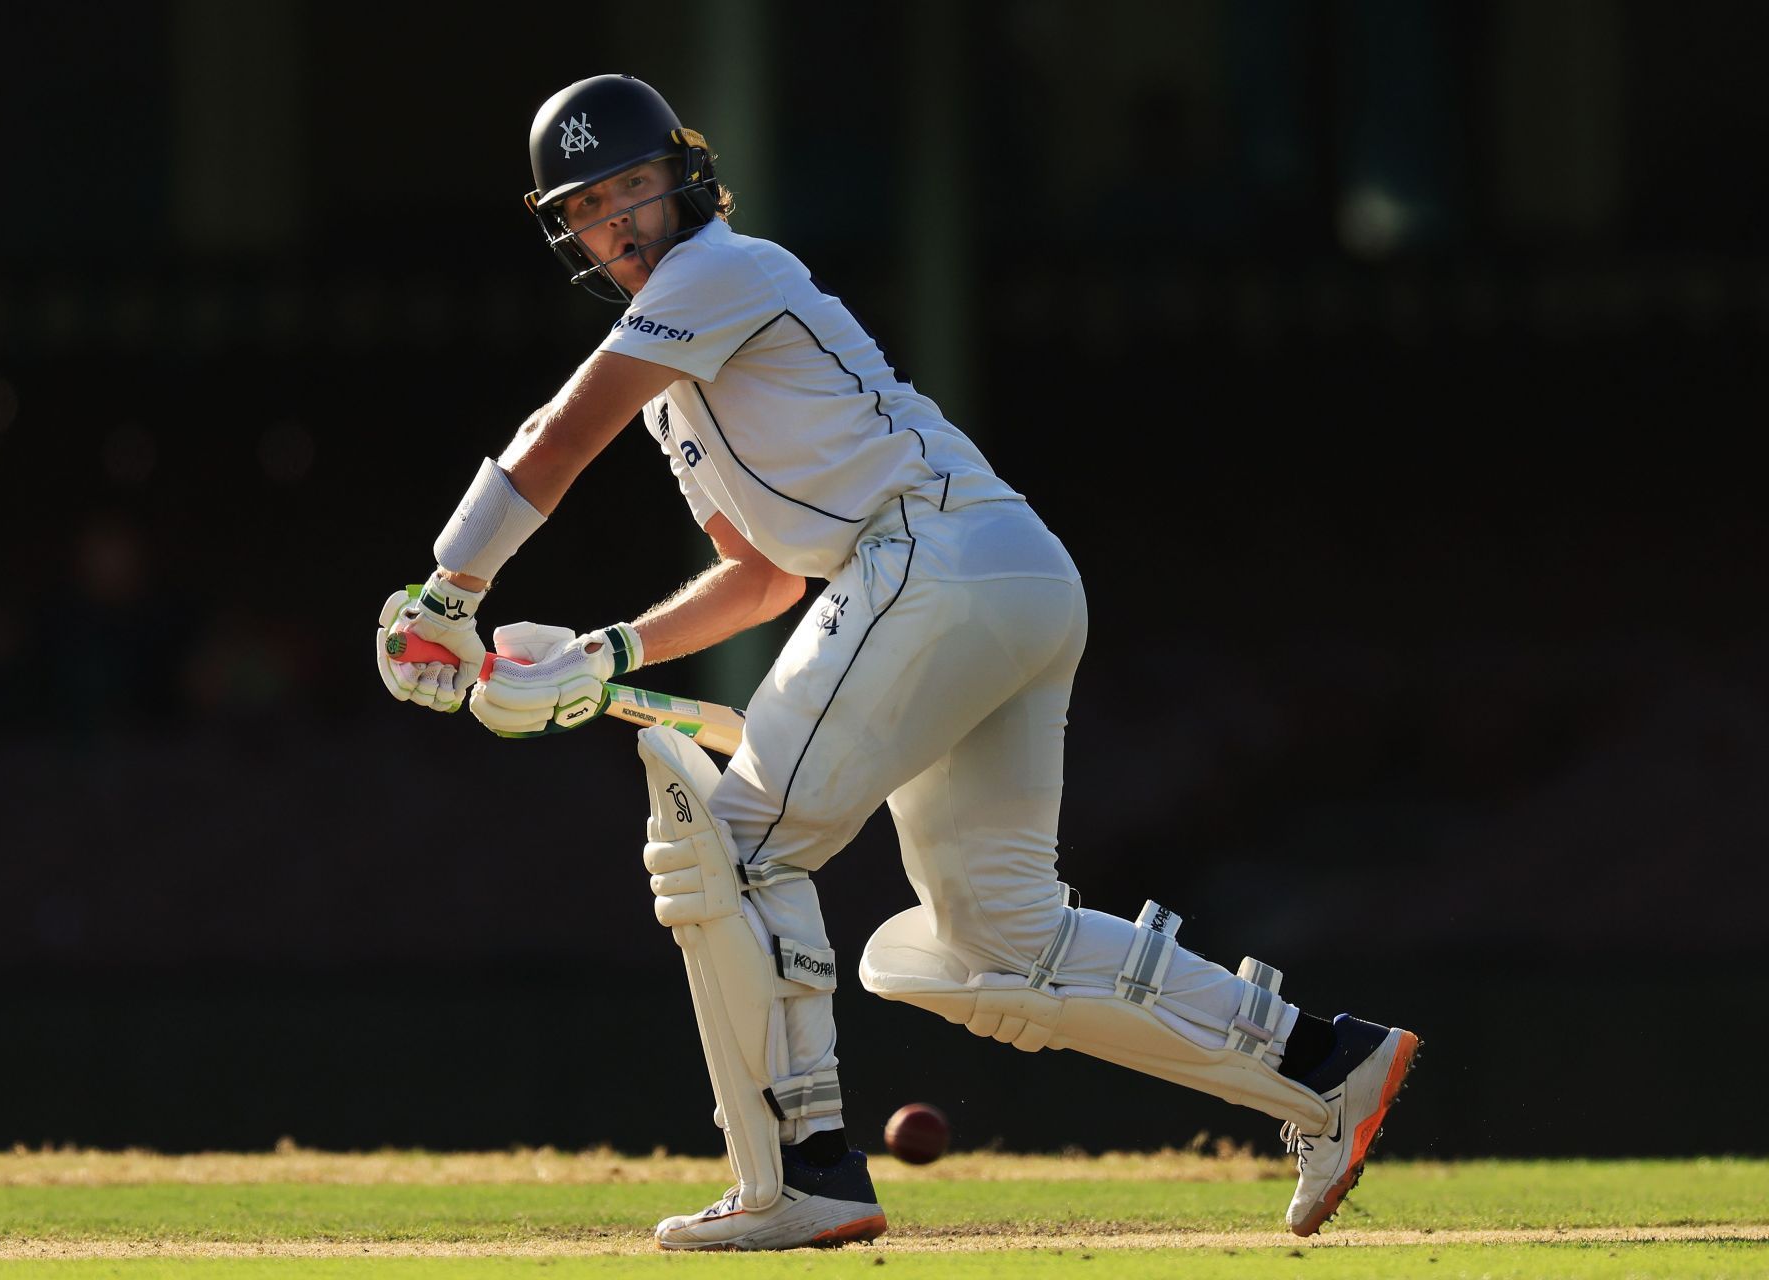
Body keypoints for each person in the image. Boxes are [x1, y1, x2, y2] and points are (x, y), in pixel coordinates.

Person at [375, 73, 1420, 1251]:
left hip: (932, 556)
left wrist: (449, 591)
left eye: (634, 185)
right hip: (1005, 573)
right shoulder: (685, 382)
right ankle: (1325, 1059)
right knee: (995, 940)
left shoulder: (722, 268)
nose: (619, 218)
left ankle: (805, 1169)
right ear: (563, 226)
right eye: (589, 203)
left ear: (684, 177)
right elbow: (765, 576)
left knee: (735, 842)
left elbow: (561, 435)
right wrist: (604, 651)